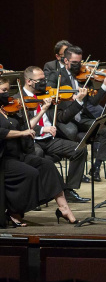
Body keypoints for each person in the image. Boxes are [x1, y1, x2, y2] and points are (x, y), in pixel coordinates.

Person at [0, 76, 81, 226]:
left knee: (47, 165)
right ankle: (14, 211)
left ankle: (64, 208)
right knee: (31, 173)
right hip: (4, 158)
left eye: (8, 90)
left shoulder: (10, 109)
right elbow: (2, 132)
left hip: (19, 154)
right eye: (3, 90)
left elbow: (27, 126)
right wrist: (22, 133)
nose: (7, 94)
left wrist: (42, 110)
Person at [20, 66, 90, 204]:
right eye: (40, 80)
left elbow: (63, 118)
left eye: (44, 79)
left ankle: (69, 190)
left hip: (49, 140)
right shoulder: (19, 99)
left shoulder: (47, 95)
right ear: (29, 81)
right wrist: (42, 129)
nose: (44, 82)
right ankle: (37, 195)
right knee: (38, 155)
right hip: (31, 141)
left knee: (79, 149)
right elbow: (21, 125)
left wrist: (78, 101)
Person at [46, 45, 106, 182]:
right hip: (64, 118)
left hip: (80, 118)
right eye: (74, 62)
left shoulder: (84, 77)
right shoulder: (56, 75)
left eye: (79, 62)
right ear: (65, 61)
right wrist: (68, 97)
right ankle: (78, 173)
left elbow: (94, 102)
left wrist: (105, 84)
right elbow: (50, 93)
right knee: (72, 132)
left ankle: (96, 167)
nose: (78, 65)